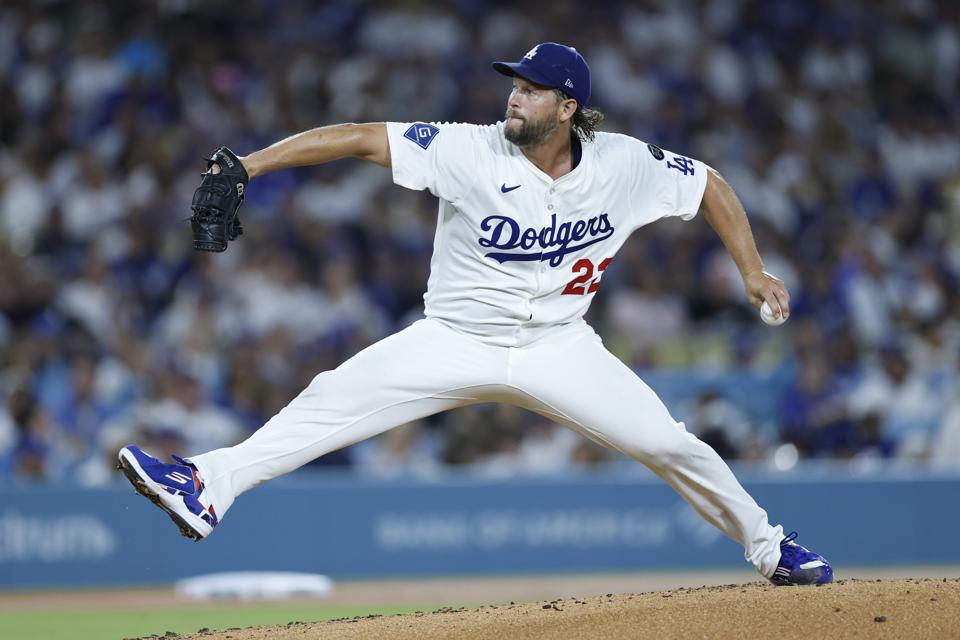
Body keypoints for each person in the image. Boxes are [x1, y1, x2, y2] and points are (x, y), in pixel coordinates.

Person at [118, 43, 832, 586]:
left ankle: (770, 549)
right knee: (329, 398)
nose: (514, 99)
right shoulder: (468, 147)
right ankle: (207, 487)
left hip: (560, 346)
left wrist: (750, 267)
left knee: (670, 444)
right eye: (514, 87)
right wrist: (250, 164)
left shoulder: (624, 165)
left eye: (530, 91)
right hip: (454, 339)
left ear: (568, 108)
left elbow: (707, 183)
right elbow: (361, 136)